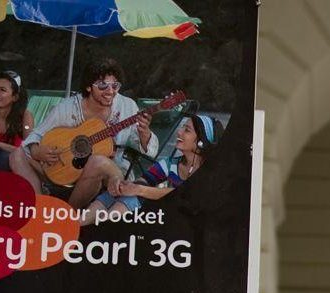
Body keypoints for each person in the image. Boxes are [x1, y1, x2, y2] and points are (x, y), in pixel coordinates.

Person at [14, 58, 157, 208]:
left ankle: (67, 217)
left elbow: (150, 153)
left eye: (115, 86)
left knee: (96, 162)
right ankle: (40, 207)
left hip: (110, 173)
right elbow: (34, 136)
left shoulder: (127, 106)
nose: (110, 91)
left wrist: (144, 133)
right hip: (67, 170)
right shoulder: (68, 108)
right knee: (17, 155)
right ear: (89, 87)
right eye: (102, 86)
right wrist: (37, 151)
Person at [82, 113, 222, 225]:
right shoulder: (170, 164)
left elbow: (183, 196)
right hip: (165, 216)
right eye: (182, 127)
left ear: (201, 141)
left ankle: (102, 230)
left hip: (189, 225)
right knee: (122, 192)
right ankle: (79, 224)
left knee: (136, 193)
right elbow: (145, 180)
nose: (179, 132)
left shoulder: (210, 170)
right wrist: (123, 187)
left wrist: (139, 189)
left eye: (187, 130)